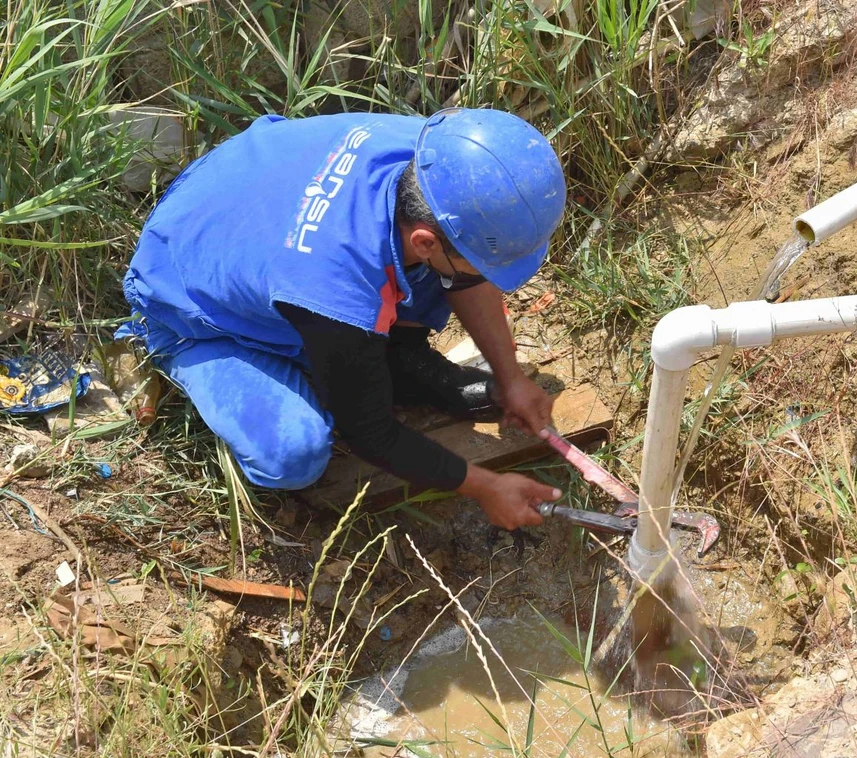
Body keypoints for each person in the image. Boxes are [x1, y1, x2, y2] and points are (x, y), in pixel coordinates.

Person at [119, 107, 566, 530]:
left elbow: (464, 271)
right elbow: (371, 434)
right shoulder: (336, 283)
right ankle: (200, 345)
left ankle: (383, 357)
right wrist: (488, 488)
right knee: (294, 454)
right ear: (426, 240)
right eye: (486, 265)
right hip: (179, 287)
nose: (490, 275)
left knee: (449, 269)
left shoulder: (442, 157)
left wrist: (510, 379)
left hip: (235, 195)